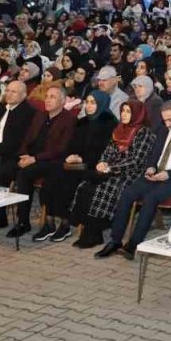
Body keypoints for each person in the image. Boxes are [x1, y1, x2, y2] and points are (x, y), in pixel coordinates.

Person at [96, 100, 171, 259]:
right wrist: (150, 167)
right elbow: (153, 155)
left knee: (151, 198)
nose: (167, 124)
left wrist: (169, 174)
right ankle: (115, 240)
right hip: (157, 174)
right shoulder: (162, 130)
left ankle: (133, 244)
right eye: (164, 120)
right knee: (127, 194)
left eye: (170, 120)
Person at [69, 99, 154, 249]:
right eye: (123, 111)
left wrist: (111, 168)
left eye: (128, 111)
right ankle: (91, 230)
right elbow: (107, 152)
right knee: (86, 185)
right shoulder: (119, 129)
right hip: (111, 169)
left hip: (131, 173)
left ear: (138, 114)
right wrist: (102, 163)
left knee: (104, 187)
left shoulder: (144, 133)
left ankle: (93, 231)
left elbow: (136, 161)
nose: (124, 114)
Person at [35, 90, 116, 243]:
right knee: (52, 177)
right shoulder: (83, 121)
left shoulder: (109, 123)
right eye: (87, 102)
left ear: (102, 104)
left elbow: (104, 152)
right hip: (76, 164)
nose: (89, 106)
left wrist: (81, 158)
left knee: (67, 182)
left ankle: (65, 225)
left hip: (94, 166)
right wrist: (71, 155)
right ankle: (49, 222)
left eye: (93, 103)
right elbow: (71, 144)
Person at [7, 85, 75, 237]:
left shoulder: (68, 120)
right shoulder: (40, 115)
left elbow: (61, 149)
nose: (48, 100)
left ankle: (23, 221)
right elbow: (27, 138)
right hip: (32, 158)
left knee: (24, 174)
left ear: (63, 101)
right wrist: (24, 154)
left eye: (53, 97)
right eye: (47, 96)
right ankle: (2, 217)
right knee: (5, 169)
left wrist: (34, 158)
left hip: (52, 160)